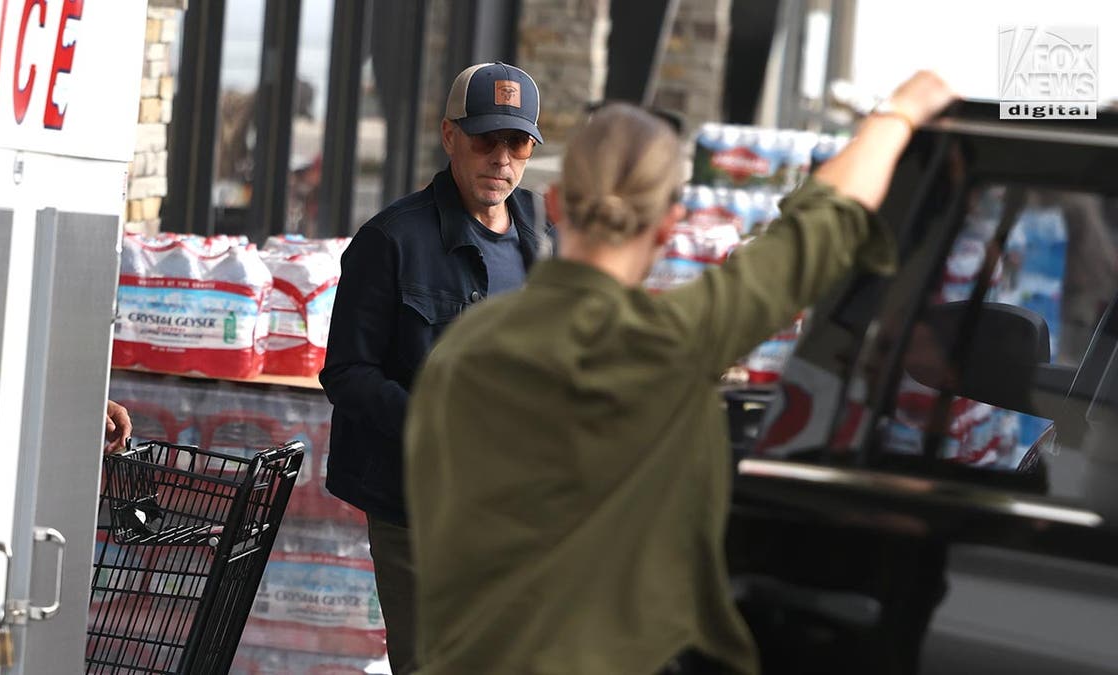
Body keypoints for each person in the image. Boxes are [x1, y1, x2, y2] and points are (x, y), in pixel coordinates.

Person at [404, 71, 957, 674]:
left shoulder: (458, 357)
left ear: (557, 203)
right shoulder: (673, 341)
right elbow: (821, 227)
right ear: (668, 225)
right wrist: (900, 110)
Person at [319, 62, 554, 675]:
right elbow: (345, 372)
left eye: (518, 143)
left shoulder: (544, 235)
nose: (502, 159)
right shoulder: (390, 240)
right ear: (450, 136)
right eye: (486, 139)